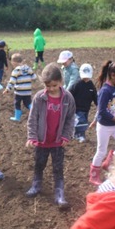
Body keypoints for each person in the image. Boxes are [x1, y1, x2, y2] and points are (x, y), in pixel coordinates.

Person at [26, 63, 76, 209]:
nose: (51, 89)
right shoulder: (39, 98)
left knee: (58, 168)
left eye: (54, 85)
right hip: (42, 142)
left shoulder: (68, 98)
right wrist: (32, 137)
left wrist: (66, 136)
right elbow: (32, 118)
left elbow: (70, 119)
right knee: (39, 164)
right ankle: (36, 185)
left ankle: (59, 193)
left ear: (61, 81)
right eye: (48, 86)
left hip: (58, 142)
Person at [89, 61, 115, 185]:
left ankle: (109, 161)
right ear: (113, 75)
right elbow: (101, 111)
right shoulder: (105, 91)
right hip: (105, 126)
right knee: (101, 150)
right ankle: (94, 175)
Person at [3, 53, 37, 122]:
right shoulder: (28, 68)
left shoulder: (16, 71)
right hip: (27, 91)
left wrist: (7, 89)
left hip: (19, 92)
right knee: (27, 103)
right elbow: (34, 77)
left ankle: (17, 117)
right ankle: (35, 112)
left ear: (13, 62)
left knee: (17, 103)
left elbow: (12, 82)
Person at [68, 64, 97, 143]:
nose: (86, 78)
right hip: (77, 108)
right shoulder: (77, 84)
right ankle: (80, 135)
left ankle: (77, 134)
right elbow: (69, 94)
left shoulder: (91, 85)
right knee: (81, 121)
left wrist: (98, 103)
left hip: (86, 108)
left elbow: (94, 96)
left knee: (82, 122)